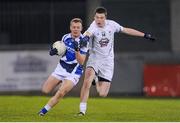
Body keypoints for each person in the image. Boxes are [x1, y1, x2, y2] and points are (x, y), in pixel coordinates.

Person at [78, 7, 155, 115]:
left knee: (102, 94)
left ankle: (96, 78)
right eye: (97, 17)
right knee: (87, 81)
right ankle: (82, 111)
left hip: (108, 62)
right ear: (94, 17)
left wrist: (144, 35)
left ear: (105, 18)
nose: (98, 20)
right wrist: (85, 39)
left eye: (101, 17)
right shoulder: (93, 26)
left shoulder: (112, 25)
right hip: (94, 59)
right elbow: (87, 34)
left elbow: (127, 30)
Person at [38, 18, 88, 116]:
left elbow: (81, 61)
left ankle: (43, 111)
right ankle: (61, 81)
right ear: (70, 27)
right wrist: (55, 52)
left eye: (78, 27)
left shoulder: (84, 42)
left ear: (81, 28)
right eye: (74, 27)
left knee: (61, 92)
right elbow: (63, 51)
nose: (76, 29)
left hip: (74, 70)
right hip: (61, 67)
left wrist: (77, 50)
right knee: (45, 90)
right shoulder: (65, 37)